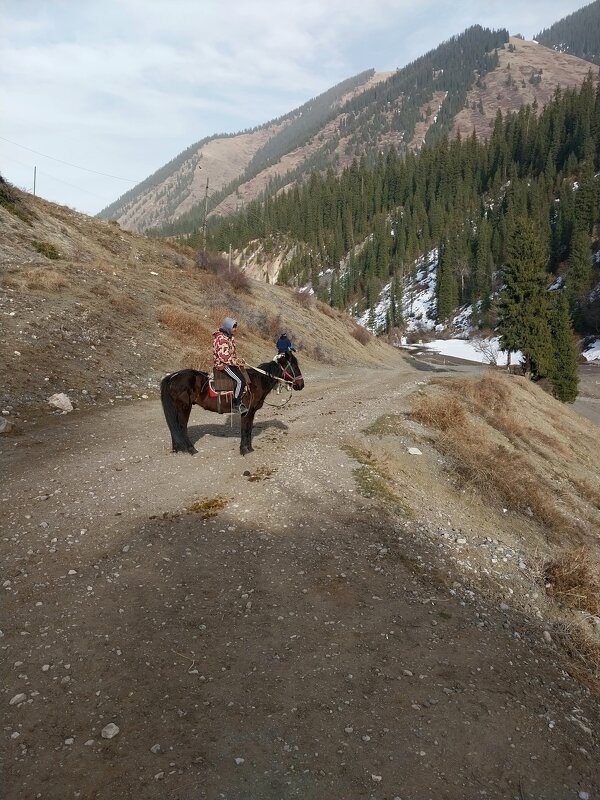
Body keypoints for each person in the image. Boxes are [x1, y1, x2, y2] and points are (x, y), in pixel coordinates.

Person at [213, 317, 247, 412]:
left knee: (245, 373)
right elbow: (224, 357)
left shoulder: (229, 337)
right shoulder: (221, 339)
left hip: (229, 362)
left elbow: (231, 353)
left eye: (236, 327)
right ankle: (236, 404)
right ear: (228, 327)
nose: (235, 329)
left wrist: (238, 360)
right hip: (223, 365)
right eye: (234, 327)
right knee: (241, 380)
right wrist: (236, 362)